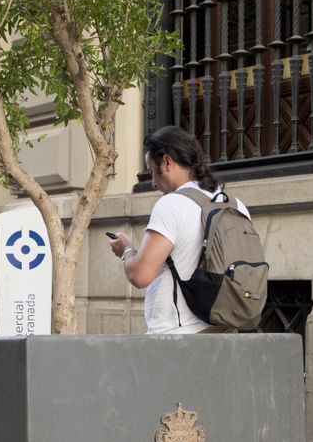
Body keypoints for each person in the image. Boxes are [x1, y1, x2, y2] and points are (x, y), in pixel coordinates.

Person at [107, 125, 250, 334]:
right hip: (225, 330)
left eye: (152, 171)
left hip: (177, 335)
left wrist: (126, 251)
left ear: (167, 162)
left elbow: (140, 275)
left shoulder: (172, 204)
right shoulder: (235, 205)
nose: (153, 182)